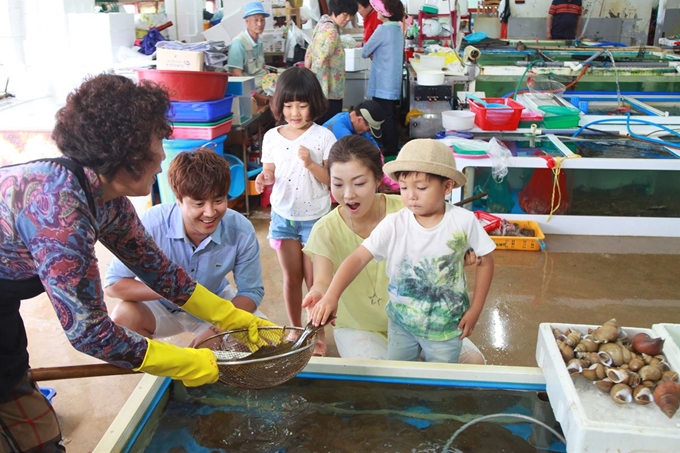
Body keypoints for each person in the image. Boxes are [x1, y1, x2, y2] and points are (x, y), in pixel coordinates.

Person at [0, 74, 274, 452]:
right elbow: (90, 332)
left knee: (15, 385)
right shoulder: (62, 216)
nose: (163, 156)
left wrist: (230, 316)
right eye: (157, 142)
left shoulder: (106, 199)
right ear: (126, 153)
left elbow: (162, 272)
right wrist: (183, 362)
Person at [308, 138, 495, 363]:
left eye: (358, 183)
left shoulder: (453, 218)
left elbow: (481, 259)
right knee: (390, 378)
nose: (348, 195)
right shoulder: (395, 221)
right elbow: (353, 261)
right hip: (394, 323)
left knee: (457, 373)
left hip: (441, 322)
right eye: (337, 184)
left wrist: (473, 306)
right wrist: (327, 296)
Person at [105, 148, 266, 347]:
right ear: (179, 200)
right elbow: (114, 285)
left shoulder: (241, 230)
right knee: (123, 319)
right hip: (160, 307)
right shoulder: (150, 225)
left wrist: (216, 330)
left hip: (213, 304)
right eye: (199, 204)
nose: (210, 212)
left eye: (218, 200)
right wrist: (174, 290)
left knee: (259, 337)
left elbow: (251, 292)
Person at [254, 67, 336, 356]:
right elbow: (270, 171)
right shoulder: (272, 137)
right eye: (288, 105)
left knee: (315, 282)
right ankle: (294, 328)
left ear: (314, 103)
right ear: (279, 104)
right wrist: (264, 178)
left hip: (316, 218)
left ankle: (317, 333)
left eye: (302, 105)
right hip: (284, 217)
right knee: (291, 278)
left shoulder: (323, 137)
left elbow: (332, 181)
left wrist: (312, 164)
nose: (295, 112)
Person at [323, 100, 398, 191]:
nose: (368, 131)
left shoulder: (351, 121)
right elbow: (361, 158)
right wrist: (388, 180)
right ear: (360, 120)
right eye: (369, 128)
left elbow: (373, 147)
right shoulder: (340, 130)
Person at [362, 0, 405, 157]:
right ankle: (393, 147)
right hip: (392, 80)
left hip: (382, 81)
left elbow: (365, 51)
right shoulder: (397, 29)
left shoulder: (382, 30)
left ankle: (389, 151)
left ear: (387, 12)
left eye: (379, 9)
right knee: (391, 115)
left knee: (383, 116)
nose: (377, 12)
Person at [304, 0, 358, 125]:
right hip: (328, 91)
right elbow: (320, 62)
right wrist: (313, 85)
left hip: (321, 90)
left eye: (350, 15)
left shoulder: (322, 23)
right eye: (345, 14)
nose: (348, 19)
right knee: (329, 127)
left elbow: (309, 51)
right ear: (334, 11)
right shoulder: (331, 32)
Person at [227, 1, 272, 105]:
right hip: (251, 93)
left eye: (262, 20)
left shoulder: (259, 41)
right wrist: (255, 95)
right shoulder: (238, 44)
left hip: (264, 87)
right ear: (247, 21)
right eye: (256, 20)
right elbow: (237, 75)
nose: (260, 24)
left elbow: (262, 67)